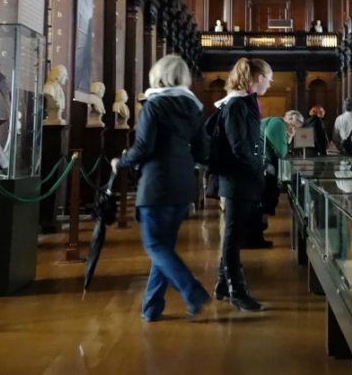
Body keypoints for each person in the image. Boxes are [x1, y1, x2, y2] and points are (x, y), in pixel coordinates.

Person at [109, 54, 210, 321]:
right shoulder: (195, 107)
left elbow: (144, 147)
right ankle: (152, 307)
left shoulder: (153, 105)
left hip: (156, 183)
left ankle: (193, 290)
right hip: (183, 184)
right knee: (163, 247)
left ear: (158, 75)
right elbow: (203, 151)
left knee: (155, 246)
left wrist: (121, 161)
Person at [212, 57, 273, 311]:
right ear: (258, 78)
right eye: (269, 79)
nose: (269, 85)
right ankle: (237, 290)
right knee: (233, 235)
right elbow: (239, 146)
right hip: (237, 179)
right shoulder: (237, 104)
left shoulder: (245, 102)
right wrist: (259, 169)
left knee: (235, 234)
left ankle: (223, 284)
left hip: (242, 178)